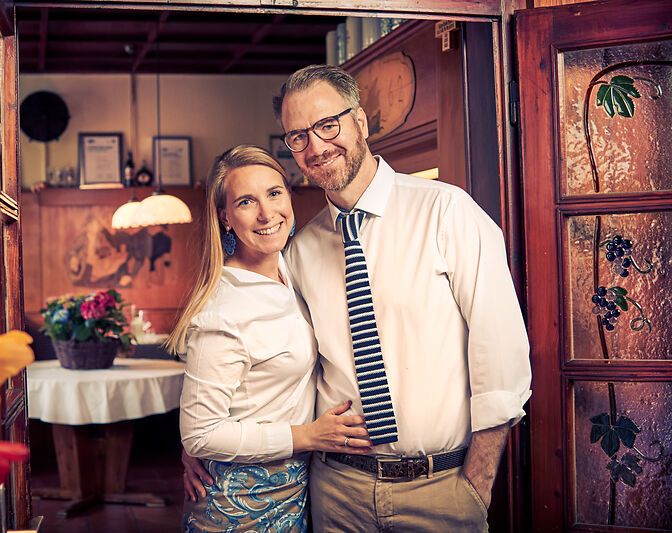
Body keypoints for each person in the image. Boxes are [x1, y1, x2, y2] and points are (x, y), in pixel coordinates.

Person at [184, 66, 532, 532]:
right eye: (298, 137)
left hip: (439, 488)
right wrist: (194, 442)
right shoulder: (298, 250)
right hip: (333, 490)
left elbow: (501, 350)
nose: (317, 146)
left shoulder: (447, 212)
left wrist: (478, 482)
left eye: (328, 125)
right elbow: (264, 353)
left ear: (361, 123)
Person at [167, 145, 372, 532]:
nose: (266, 213)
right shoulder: (223, 310)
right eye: (246, 201)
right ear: (225, 217)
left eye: (274, 193)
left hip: (297, 489)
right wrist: (308, 435)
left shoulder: (290, 266)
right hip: (238, 503)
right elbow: (200, 432)